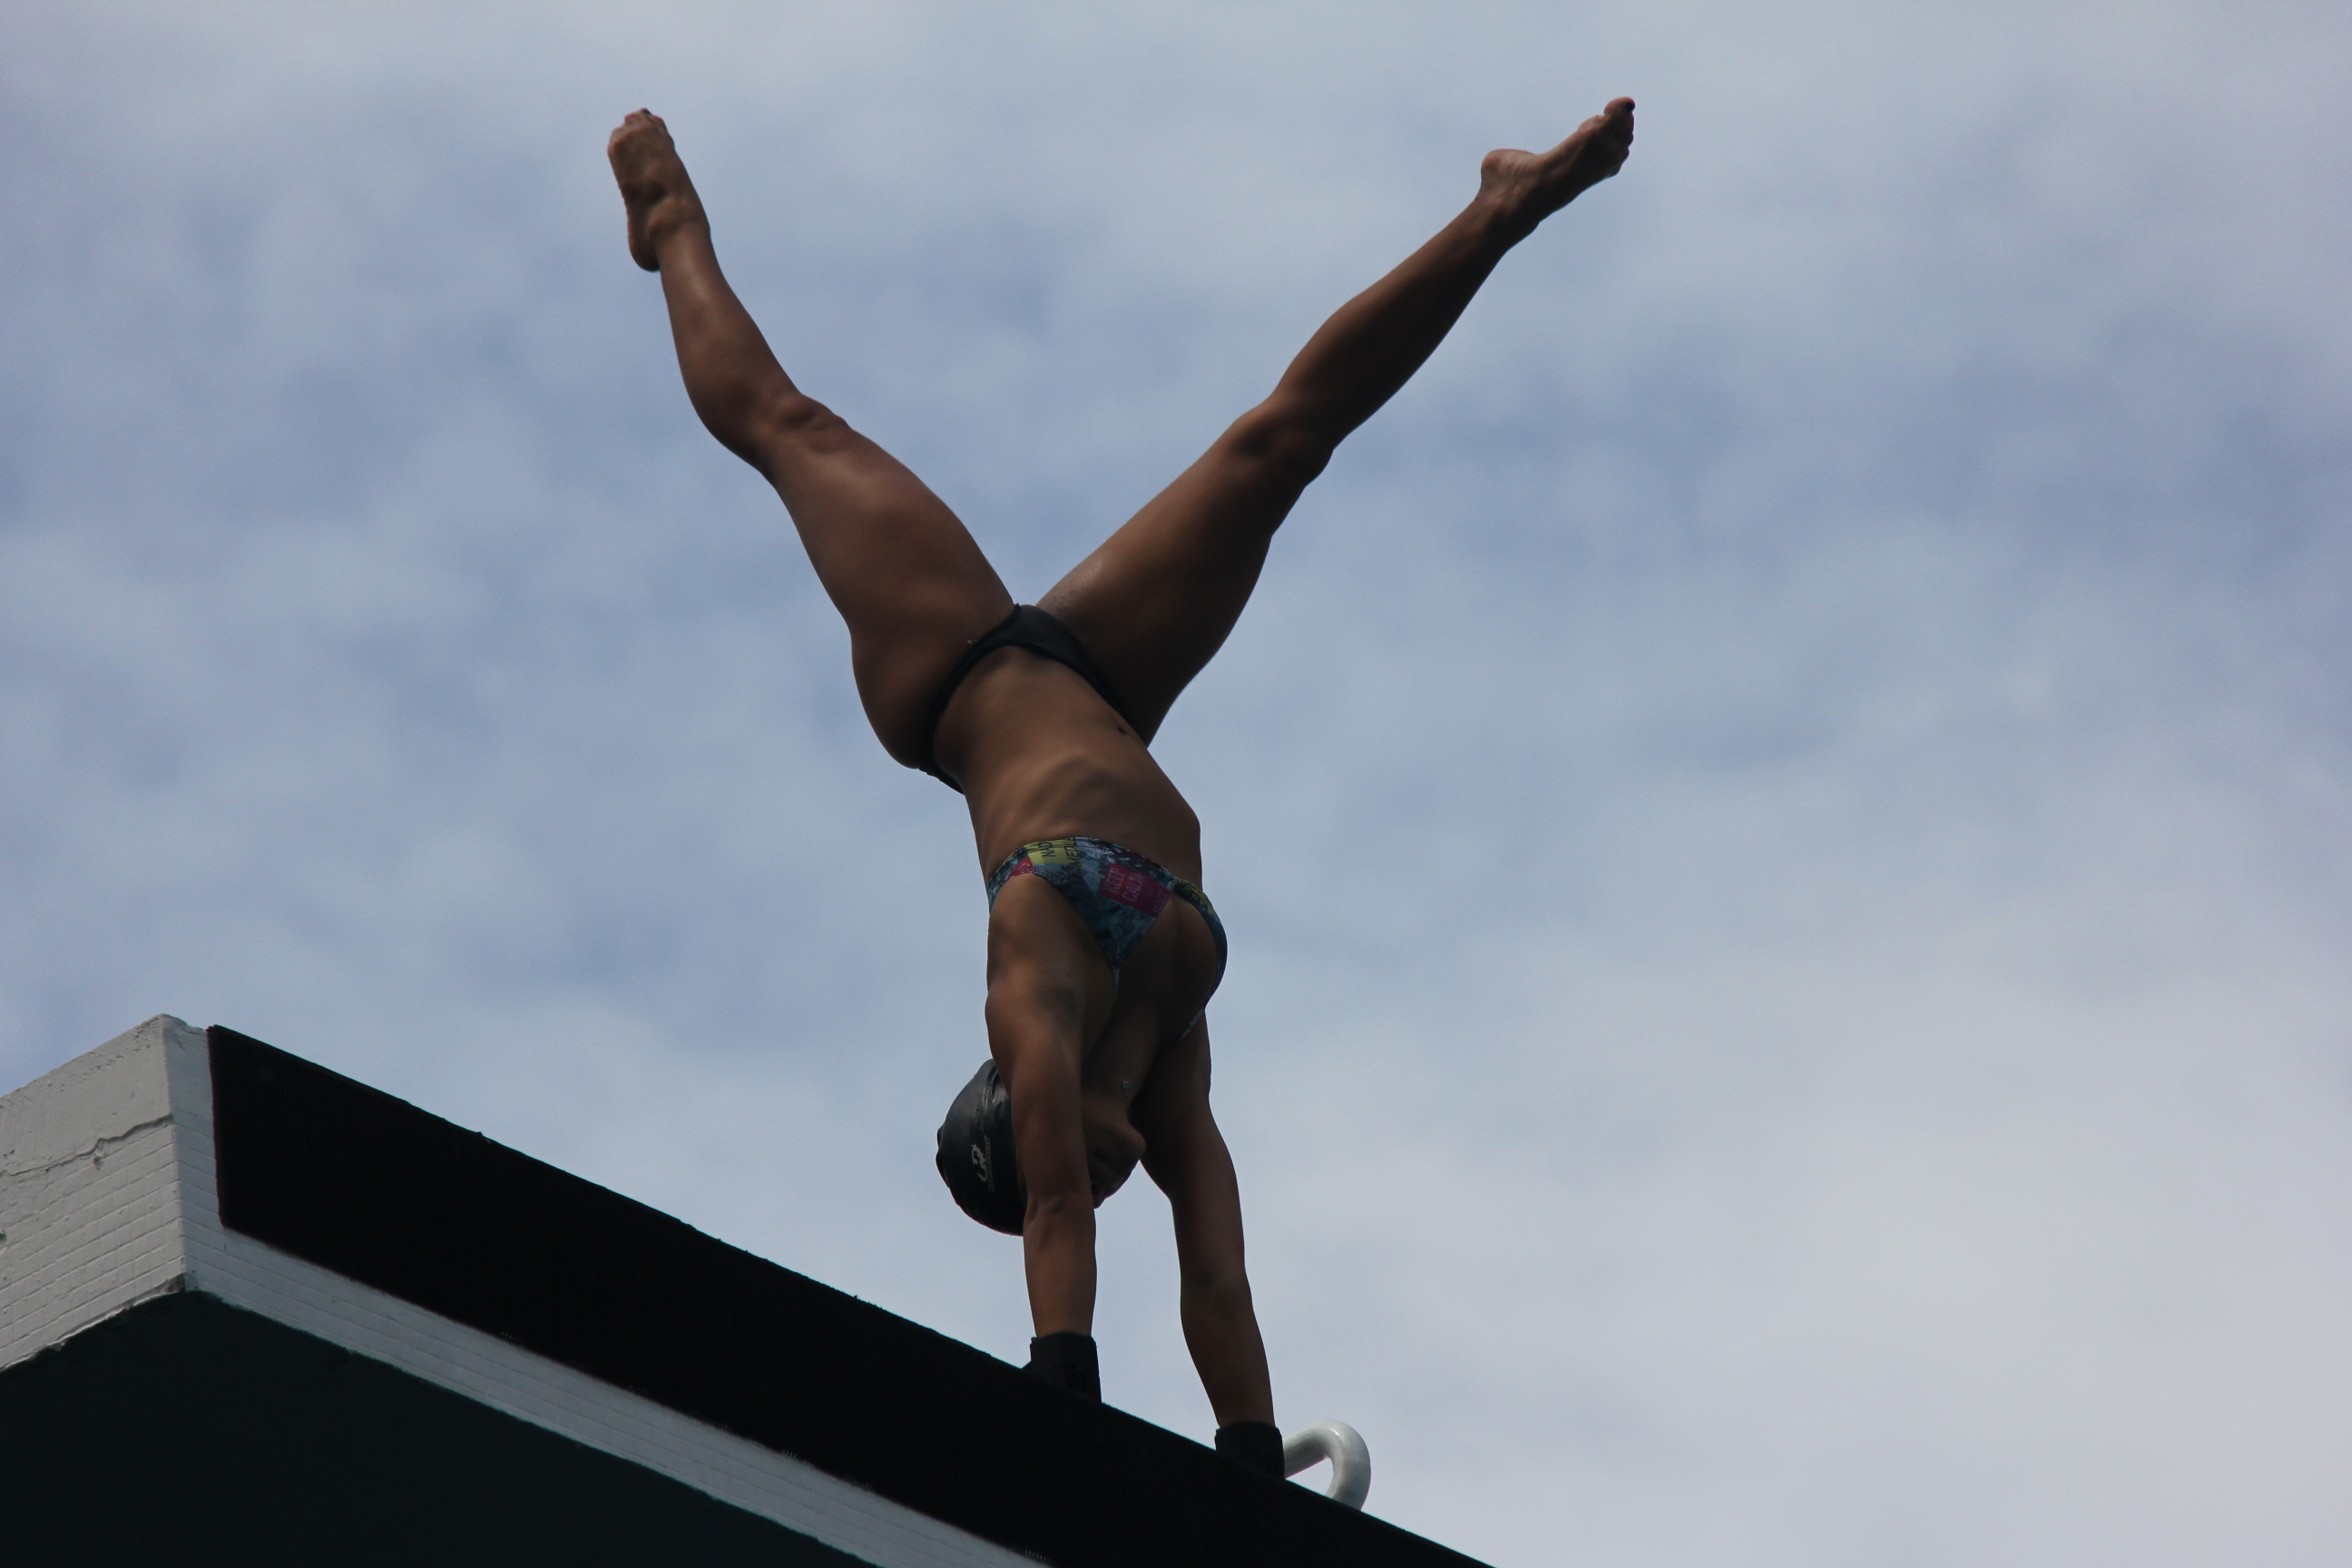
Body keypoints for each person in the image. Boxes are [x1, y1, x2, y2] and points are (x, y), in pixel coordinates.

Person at [606, 96, 1634, 1478]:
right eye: (1099, 1169)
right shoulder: (1171, 1055)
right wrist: (1247, 1453)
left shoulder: (1036, 982)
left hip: (957, 681)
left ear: (1008, 1104)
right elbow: (1217, 1273)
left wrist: (1062, 1396)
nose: (1097, 1172)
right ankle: (1502, 209)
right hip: (1103, 682)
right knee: (1281, 450)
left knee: (790, 427)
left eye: (1061, 1156)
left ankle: (671, 225)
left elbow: (1050, 1211)